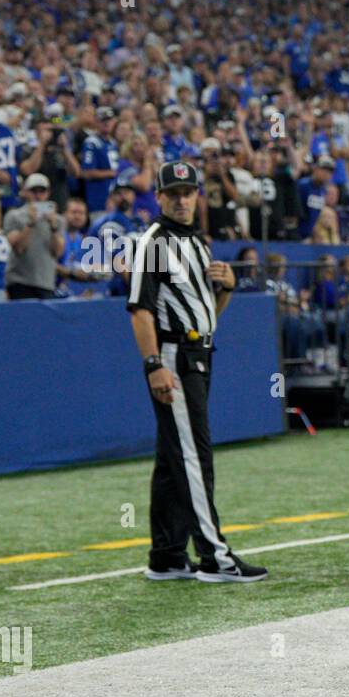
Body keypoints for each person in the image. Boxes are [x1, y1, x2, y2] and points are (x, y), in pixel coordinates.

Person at [126, 160, 268, 583]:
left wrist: (225, 289)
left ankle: (168, 554)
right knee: (193, 456)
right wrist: (154, 365)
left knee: (173, 459)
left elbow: (209, 319)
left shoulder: (198, 243)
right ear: (160, 197)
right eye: (174, 193)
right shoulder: (153, 242)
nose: (182, 200)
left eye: (188, 193)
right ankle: (214, 557)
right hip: (174, 358)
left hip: (198, 353)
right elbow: (140, 310)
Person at [2, 173, 67, 301]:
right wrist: (30, 223)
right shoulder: (14, 216)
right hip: (20, 281)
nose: (38, 195)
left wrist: (53, 227)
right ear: (25, 192)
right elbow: (19, 248)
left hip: (46, 281)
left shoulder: (58, 220)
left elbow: (58, 252)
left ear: (48, 193)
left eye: (42, 191)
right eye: (34, 191)